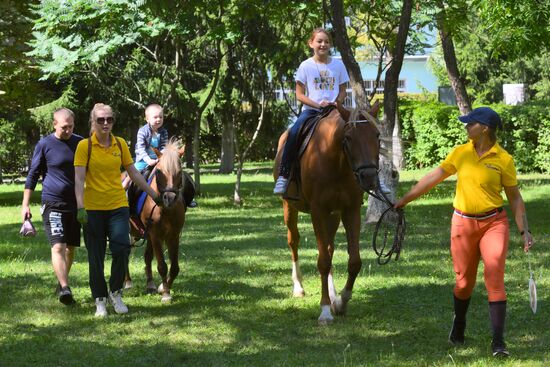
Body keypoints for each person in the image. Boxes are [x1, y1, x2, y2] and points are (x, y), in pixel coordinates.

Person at [394, 107, 535, 357]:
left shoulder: (504, 159)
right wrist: (405, 199)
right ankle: (459, 325)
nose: (466, 127)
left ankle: (499, 343)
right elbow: (433, 177)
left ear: (485, 129)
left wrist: (524, 231)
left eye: (471, 124)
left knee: (495, 279)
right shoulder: (461, 152)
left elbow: (514, 198)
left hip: (494, 223)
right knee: (463, 283)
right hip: (463, 224)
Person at [74, 103, 163, 317]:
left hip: (117, 206)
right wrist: (80, 207)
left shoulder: (120, 144)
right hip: (93, 209)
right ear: (92, 122)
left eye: (109, 119)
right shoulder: (84, 146)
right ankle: (100, 300)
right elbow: (78, 178)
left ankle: (115, 292)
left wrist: (153, 195)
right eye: (100, 120)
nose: (105, 123)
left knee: (122, 249)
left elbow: (133, 173)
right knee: (95, 256)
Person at [273, 28, 350, 195]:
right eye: (319, 41)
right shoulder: (305, 66)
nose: (323, 44)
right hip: (312, 111)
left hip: (334, 110)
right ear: (311, 43)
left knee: (360, 129)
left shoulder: (338, 64)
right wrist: (317, 105)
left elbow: (343, 90)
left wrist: (336, 102)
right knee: (294, 133)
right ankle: (284, 175)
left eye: (327, 42)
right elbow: (299, 95)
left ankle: (375, 176)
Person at [21, 108, 82, 305]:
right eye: (64, 127)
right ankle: (65, 288)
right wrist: (25, 204)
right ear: (54, 124)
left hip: (75, 205)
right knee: (58, 245)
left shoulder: (80, 142)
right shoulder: (45, 144)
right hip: (53, 203)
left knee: (70, 248)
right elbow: (33, 174)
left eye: (71, 126)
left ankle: (61, 281)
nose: (68, 130)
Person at [124, 103, 197, 209]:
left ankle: (188, 199)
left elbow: (164, 147)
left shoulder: (163, 132)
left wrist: (163, 158)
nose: (158, 119)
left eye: (161, 117)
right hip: (143, 160)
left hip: (160, 160)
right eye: (155, 117)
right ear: (147, 119)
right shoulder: (142, 131)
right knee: (133, 177)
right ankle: (127, 198)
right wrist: (148, 160)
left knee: (183, 177)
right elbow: (140, 148)